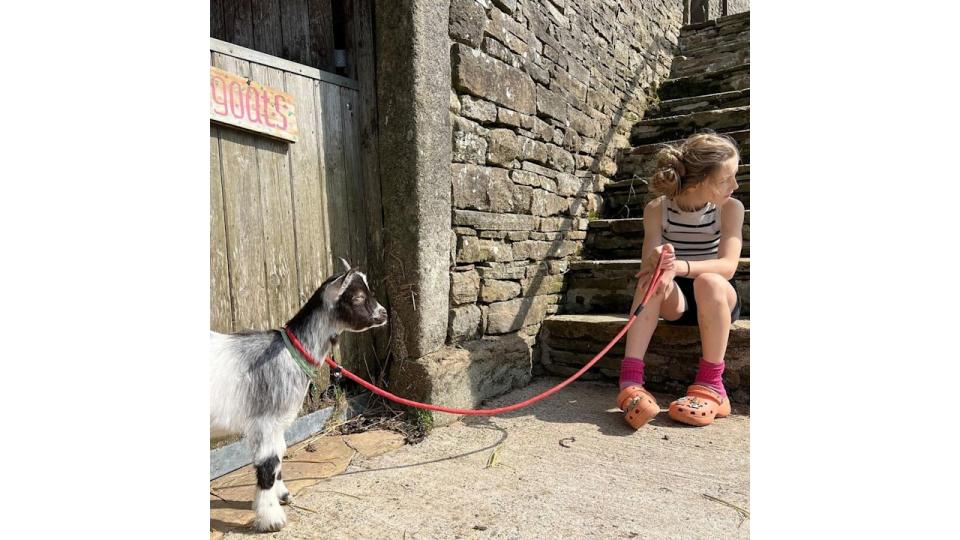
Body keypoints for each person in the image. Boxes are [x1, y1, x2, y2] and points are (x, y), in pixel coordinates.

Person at [616, 132, 744, 429]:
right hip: (678, 301)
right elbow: (649, 262)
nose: (735, 186)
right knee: (651, 279)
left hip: (717, 296)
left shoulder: (730, 208)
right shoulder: (657, 209)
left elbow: (728, 266)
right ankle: (630, 380)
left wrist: (681, 266)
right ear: (700, 179)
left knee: (709, 281)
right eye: (727, 178)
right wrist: (660, 258)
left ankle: (713, 385)